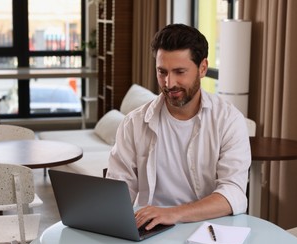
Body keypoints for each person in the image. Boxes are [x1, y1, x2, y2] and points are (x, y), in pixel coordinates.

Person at [106, 24, 251, 231]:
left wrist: (173, 213)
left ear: (202, 68)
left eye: (179, 72)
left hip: (209, 231)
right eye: (162, 72)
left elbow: (233, 193)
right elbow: (119, 190)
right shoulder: (134, 123)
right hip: (152, 230)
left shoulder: (228, 120)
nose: (169, 83)